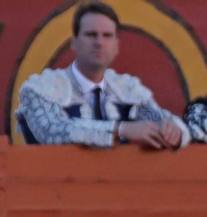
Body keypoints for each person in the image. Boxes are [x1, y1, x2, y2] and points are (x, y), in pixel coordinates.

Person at [15, 1, 188, 148]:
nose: (99, 42)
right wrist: (121, 129)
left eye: (107, 36)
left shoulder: (127, 90)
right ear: (73, 42)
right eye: (91, 35)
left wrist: (173, 131)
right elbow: (51, 131)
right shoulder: (41, 88)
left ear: (116, 46)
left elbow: (160, 121)